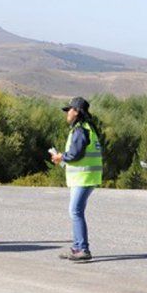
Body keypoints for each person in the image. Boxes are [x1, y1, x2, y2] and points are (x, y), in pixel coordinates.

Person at [52, 96, 102, 262]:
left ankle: (82, 249)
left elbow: (75, 154)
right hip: (86, 177)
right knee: (76, 211)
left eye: (69, 110)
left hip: (84, 177)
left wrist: (61, 157)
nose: (67, 113)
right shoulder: (87, 127)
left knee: (75, 211)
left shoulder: (80, 130)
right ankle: (77, 247)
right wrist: (63, 158)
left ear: (77, 112)